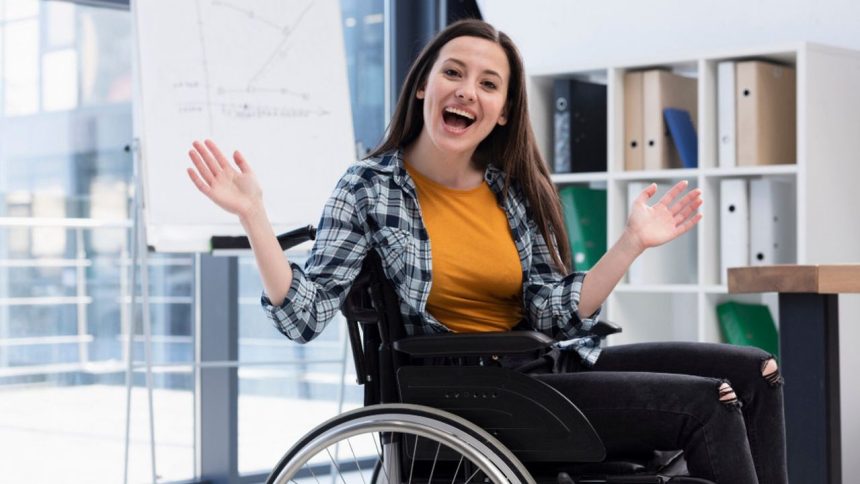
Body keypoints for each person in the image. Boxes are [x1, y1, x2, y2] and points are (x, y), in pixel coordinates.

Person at [185, 18, 787, 484]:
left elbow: (554, 310)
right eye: (454, 73)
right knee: (709, 404)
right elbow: (304, 314)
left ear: (502, 113)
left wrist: (629, 245)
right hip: (476, 393)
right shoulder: (369, 187)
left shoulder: (510, 189)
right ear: (424, 85)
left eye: (488, 84)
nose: (467, 91)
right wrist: (254, 216)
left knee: (754, 371)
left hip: (548, 366)